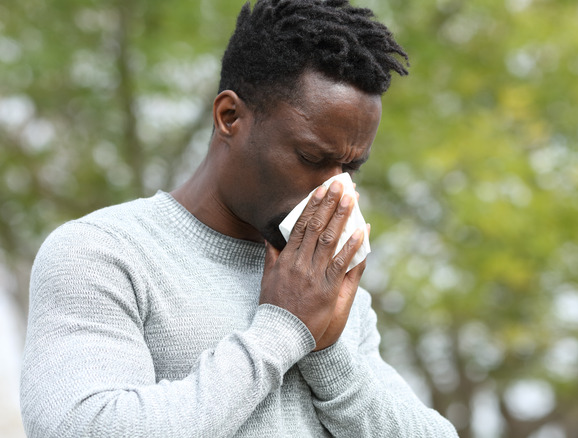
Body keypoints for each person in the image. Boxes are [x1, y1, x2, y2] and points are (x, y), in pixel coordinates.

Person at [19, 1, 458, 436]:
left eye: (349, 169)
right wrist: (282, 331)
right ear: (229, 117)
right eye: (310, 157)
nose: (334, 192)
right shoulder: (103, 253)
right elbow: (82, 428)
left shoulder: (323, 281)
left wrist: (328, 355)